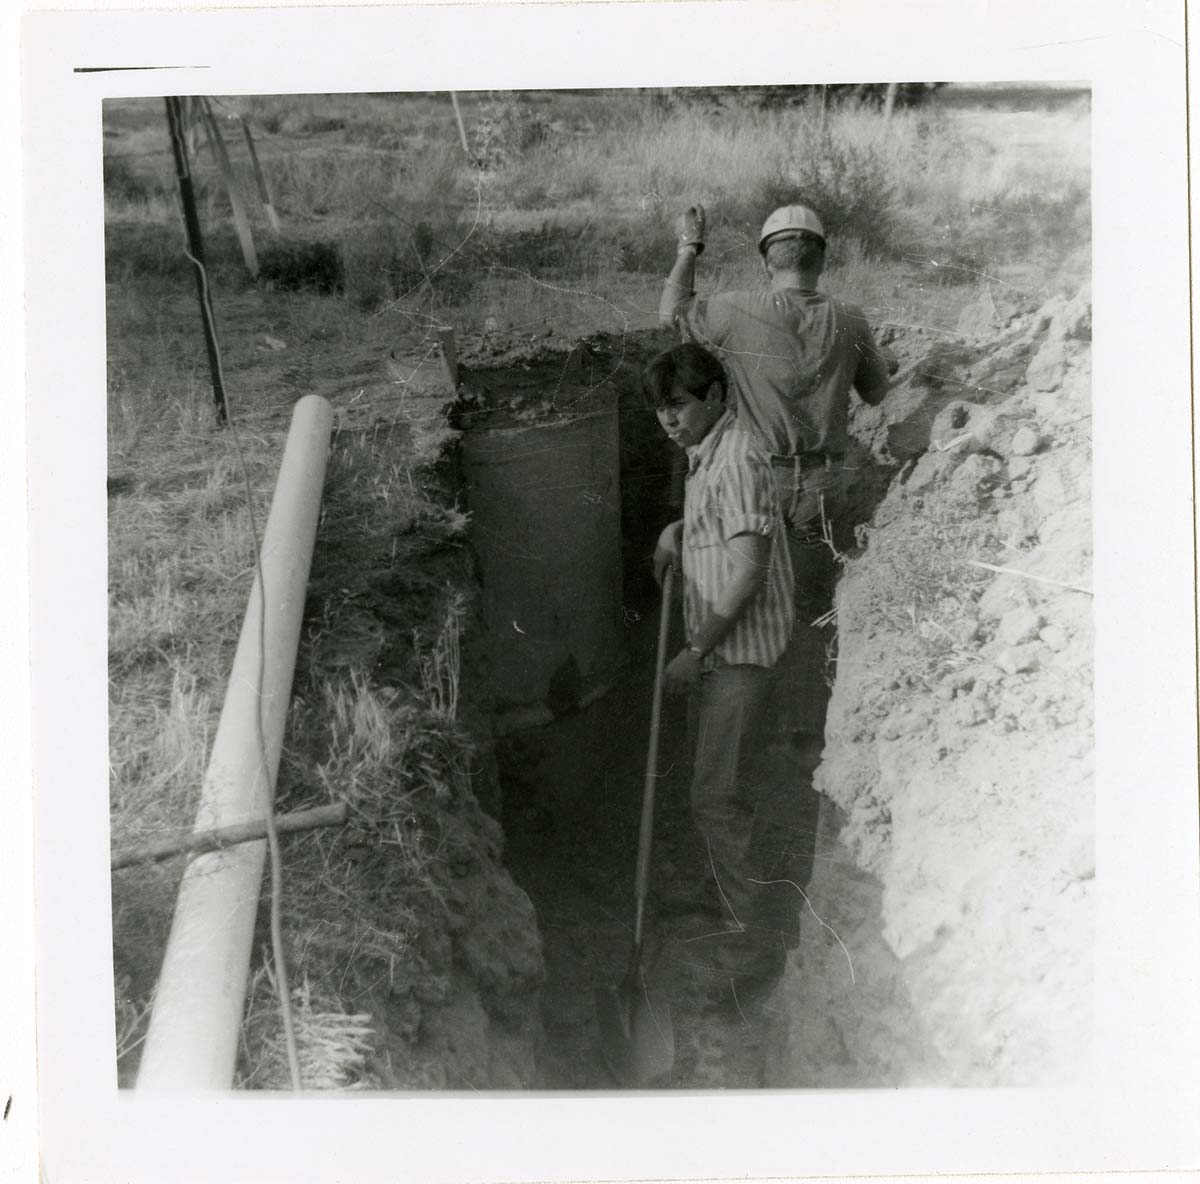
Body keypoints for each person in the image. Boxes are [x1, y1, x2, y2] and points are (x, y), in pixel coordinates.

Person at [654, 202, 896, 923]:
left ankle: (746, 775)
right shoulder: (848, 319)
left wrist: (689, 247)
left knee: (750, 609)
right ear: (821, 257)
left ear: (767, 258)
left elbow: (672, 310)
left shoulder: (731, 311)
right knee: (803, 637)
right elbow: (880, 394)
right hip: (819, 492)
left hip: (751, 477)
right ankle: (796, 752)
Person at [644, 342, 797, 983]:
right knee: (712, 791)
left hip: (739, 656)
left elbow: (748, 573)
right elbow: (723, 530)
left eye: (679, 404)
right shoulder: (707, 455)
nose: (669, 420)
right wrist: (676, 532)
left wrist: (694, 650)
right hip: (720, 652)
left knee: (718, 796)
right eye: (659, 409)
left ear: (715, 396)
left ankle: (750, 942)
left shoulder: (736, 458)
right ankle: (722, 898)